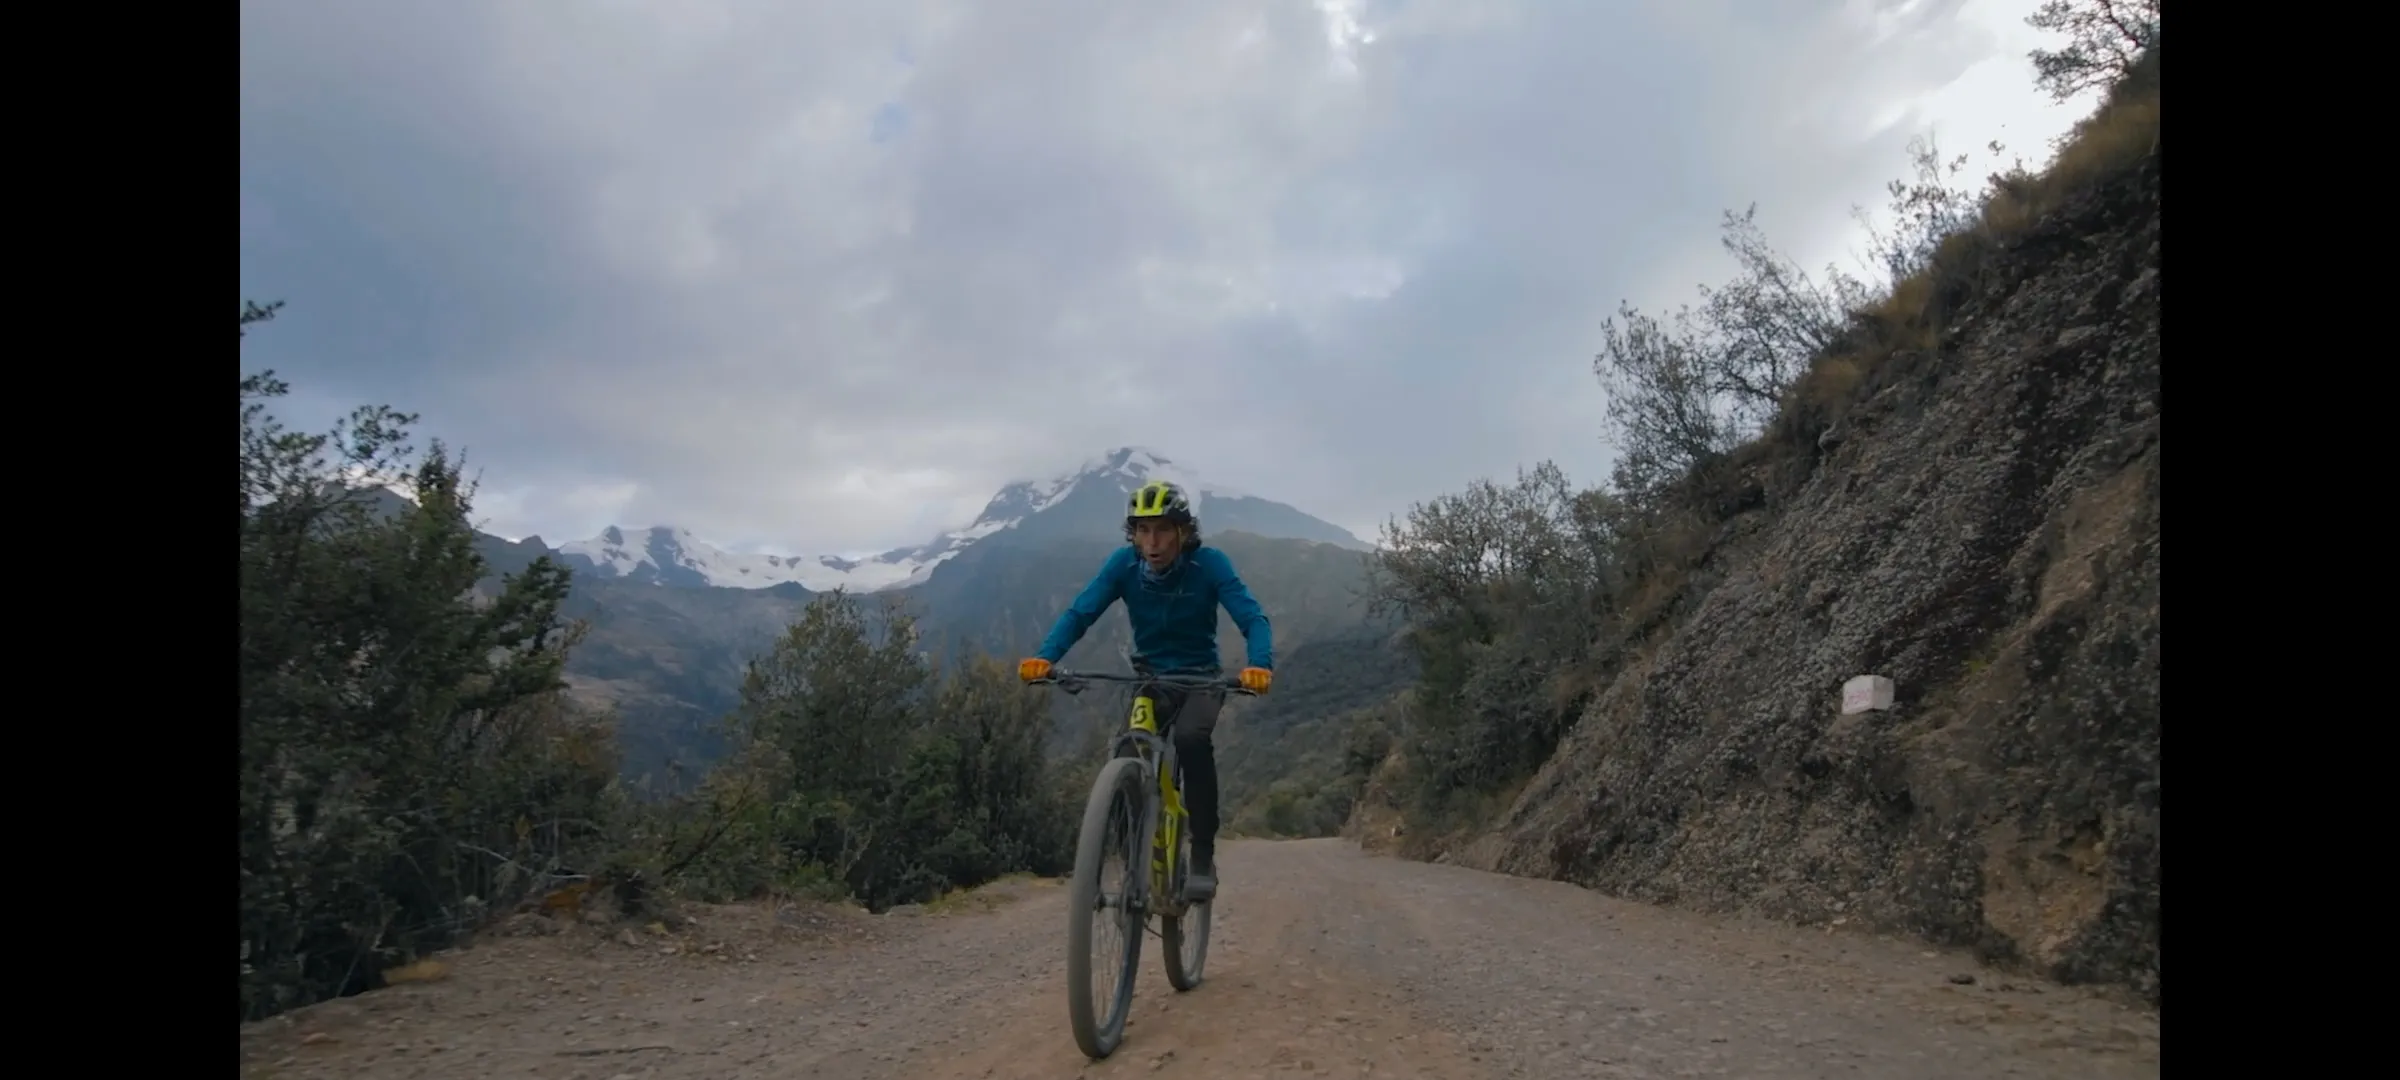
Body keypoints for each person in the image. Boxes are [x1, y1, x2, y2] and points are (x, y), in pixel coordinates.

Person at [1018, 479, 1273, 902]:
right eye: (1143, 530)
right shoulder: (1124, 566)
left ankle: (1203, 854)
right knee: (1127, 750)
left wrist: (1259, 664)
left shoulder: (1209, 564)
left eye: (1163, 530)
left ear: (1183, 533)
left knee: (1192, 741)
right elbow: (1082, 611)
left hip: (1201, 679)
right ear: (1133, 534)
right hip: (1150, 678)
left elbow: (1252, 617)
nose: (1152, 543)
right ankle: (1129, 853)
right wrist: (1045, 657)